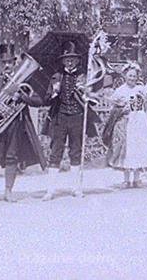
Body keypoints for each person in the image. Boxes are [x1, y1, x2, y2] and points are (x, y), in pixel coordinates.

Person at [0, 52, 47, 203]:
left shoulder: (24, 81)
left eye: (10, 63)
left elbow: (38, 101)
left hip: (16, 124)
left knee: (12, 157)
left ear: (14, 64)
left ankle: (8, 191)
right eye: (4, 63)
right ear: (0, 64)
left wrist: (21, 96)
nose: (7, 65)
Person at [42, 41, 98, 201]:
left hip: (77, 117)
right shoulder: (56, 77)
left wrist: (86, 94)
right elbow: (46, 100)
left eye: (73, 59)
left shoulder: (84, 77)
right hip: (60, 118)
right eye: (67, 59)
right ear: (63, 61)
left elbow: (93, 98)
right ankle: (50, 190)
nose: (70, 62)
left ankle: (76, 188)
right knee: (56, 151)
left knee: (75, 151)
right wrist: (54, 93)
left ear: (78, 60)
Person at [105, 64, 147, 188]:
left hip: (139, 121)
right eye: (130, 76)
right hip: (126, 122)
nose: (132, 78)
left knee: (138, 148)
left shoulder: (141, 89)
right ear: (125, 76)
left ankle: (137, 179)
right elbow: (114, 109)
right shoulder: (120, 90)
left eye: (134, 76)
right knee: (127, 149)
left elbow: (146, 106)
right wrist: (122, 109)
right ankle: (126, 179)